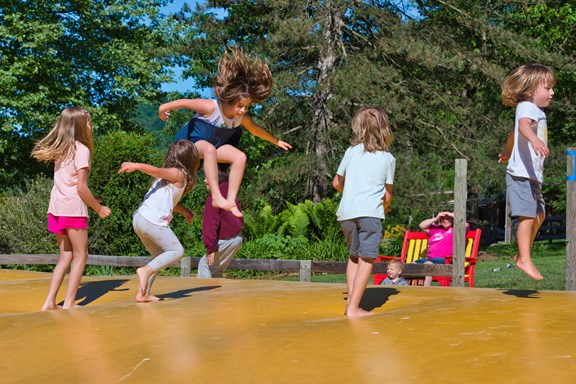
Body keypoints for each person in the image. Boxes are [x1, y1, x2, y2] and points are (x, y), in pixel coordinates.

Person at [158, 47, 292, 218]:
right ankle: (216, 196)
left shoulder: (240, 117)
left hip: (212, 147)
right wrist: (163, 108)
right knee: (208, 151)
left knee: (239, 157)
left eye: (246, 107)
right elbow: (184, 102)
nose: (243, 110)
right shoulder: (211, 107)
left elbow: (255, 130)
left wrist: (276, 141)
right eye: (239, 106)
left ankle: (231, 201)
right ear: (229, 101)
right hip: (190, 143)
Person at [32, 107, 112, 311]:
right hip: (73, 209)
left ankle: (49, 301)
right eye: (88, 122)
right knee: (81, 255)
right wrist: (99, 208)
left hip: (56, 209)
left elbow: (68, 182)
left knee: (66, 256)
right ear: (79, 126)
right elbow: (81, 188)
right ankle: (69, 302)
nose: (90, 125)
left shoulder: (61, 150)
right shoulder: (81, 150)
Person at [118, 140, 200, 302]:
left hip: (140, 219)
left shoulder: (169, 179)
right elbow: (156, 170)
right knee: (177, 251)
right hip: (152, 221)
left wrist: (184, 211)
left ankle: (143, 293)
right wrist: (137, 165)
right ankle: (145, 271)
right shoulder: (180, 173)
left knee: (159, 258)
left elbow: (170, 202)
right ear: (191, 160)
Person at [333, 106, 395, 318]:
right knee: (367, 259)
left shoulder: (350, 152)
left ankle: (351, 301)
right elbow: (387, 196)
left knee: (353, 257)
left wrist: (351, 189)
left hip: (347, 213)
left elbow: (336, 183)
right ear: (384, 129)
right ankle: (354, 308)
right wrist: (384, 207)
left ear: (357, 128)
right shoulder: (388, 158)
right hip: (370, 213)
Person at [498, 64, 556, 281]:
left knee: (539, 215)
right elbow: (522, 126)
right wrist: (534, 139)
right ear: (532, 90)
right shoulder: (528, 107)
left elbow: (514, 131)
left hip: (532, 175)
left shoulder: (534, 110)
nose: (552, 93)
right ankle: (525, 258)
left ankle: (522, 254)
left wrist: (506, 150)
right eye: (548, 88)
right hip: (521, 174)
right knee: (528, 216)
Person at [197, 167, 244, 278]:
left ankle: (205, 294)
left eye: (207, 177)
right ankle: (218, 294)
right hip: (237, 238)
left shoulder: (214, 198)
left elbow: (209, 224)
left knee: (204, 265)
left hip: (225, 240)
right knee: (215, 270)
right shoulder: (229, 191)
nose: (204, 181)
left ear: (215, 179)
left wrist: (211, 249)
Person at [418, 211, 469, 286]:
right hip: (430, 259)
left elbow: (465, 225)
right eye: (442, 219)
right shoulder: (436, 229)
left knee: (428, 265)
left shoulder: (457, 230)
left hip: (446, 261)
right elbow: (421, 225)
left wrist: (452, 214)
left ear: (452, 219)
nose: (445, 220)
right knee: (410, 265)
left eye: (448, 218)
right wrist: (436, 218)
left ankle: (426, 290)